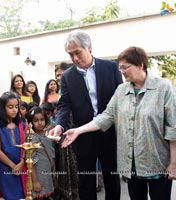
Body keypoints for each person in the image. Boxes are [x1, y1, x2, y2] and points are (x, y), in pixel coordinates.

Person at [61, 46, 176, 200]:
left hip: (157, 164)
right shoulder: (121, 90)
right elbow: (106, 116)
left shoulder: (163, 87)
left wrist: (174, 163)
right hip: (130, 165)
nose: (122, 72)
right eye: (120, 68)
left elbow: (174, 128)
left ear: (140, 64)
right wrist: (78, 130)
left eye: (125, 67)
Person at [49, 29, 122, 200]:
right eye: (70, 54)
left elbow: (121, 98)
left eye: (77, 52)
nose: (74, 58)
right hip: (82, 135)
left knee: (112, 177)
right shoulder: (67, 76)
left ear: (89, 47)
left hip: (109, 132)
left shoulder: (111, 68)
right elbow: (64, 104)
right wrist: (59, 124)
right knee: (85, 181)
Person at [0, 91, 27, 199]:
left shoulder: (21, 125)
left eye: (16, 106)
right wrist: (13, 166)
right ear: (3, 108)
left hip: (21, 167)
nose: (15, 110)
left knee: (22, 195)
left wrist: (21, 163)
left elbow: (26, 145)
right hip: (5, 169)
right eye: (10, 107)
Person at [26, 106, 55, 199]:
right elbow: (31, 161)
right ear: (31, 122)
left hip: (47, 172)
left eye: (42, 119)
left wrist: (53, 169)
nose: (39, 123)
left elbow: (50, 153)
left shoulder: (46, 135)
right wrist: (35, 181)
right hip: (38, 175)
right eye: (36, 120)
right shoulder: (32, 137)